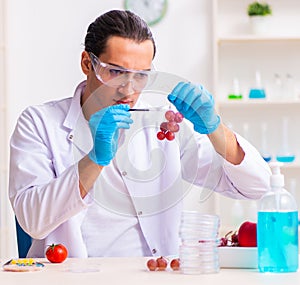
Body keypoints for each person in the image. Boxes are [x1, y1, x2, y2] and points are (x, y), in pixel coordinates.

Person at [9, 10, 271, 258]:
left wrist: (214, 127)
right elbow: (32, 221)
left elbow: (256, 186)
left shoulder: (163, 122)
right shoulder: (39, 123)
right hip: (73, 275)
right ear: (87, 63)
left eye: (141, 75)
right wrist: (95, 159)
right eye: (115, 72)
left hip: (153, 274)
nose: (128, 90)